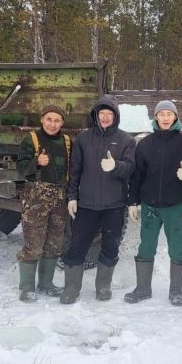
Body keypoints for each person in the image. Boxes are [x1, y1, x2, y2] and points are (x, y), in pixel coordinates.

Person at [126, 100, 182, 306]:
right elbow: (137, 176)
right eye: (162, 114)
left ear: (176, 117)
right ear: (156, 117)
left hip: (175, 205)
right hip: (150, 205)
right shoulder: (144, 144)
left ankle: (176, 290)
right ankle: (143, 288)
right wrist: (132, 201)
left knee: (177, 248)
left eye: (170, 114)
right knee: (146, 247)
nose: (166, 118)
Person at [61, 95, 136, 304]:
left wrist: (116, 166)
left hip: (114, 205)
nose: (104, 117)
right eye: (101, 113)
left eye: (109, 114)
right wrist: (72, 197)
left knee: (110, 247)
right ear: (95, 115)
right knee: (77, 246)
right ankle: (72, 288)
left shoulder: (126, 140)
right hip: (86, 205)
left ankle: (103, 286)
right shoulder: (84, 139)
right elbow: (74, 170)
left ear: (115, 117)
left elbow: (131, 169)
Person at [15, 105, 71, 302]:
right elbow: (21, 167)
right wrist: (37, 163)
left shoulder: (66, 141)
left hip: (59, 196)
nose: (53, 124)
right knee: (34, 242)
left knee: (55, 242)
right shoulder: (32, 139)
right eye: (49, 119)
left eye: (57, 120)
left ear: (62, 122)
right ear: (42, 120)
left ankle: (46, 284)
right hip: (36, 197)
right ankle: (27, 288)